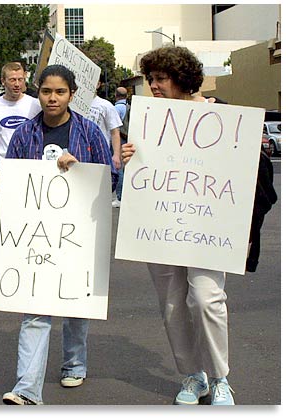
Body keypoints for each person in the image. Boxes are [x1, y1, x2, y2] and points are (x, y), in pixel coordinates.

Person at [121, 45, 235, 405]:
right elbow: (142, 176)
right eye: (150, 79)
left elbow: (246, 176)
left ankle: (220, 378)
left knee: (206, 299)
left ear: (182, 79)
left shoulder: (220, 117)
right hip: (161, 226)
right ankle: (192, 376)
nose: (153, 86)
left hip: (207, 229)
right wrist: (129, 157)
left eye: (161, 78)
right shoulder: (146, 121)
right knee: (171, 305)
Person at [2, 64, 114, 405]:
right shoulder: (24, 134)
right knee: (35, 310)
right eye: (47, 91)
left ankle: (74, 364)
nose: (52, 98)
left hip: (79, 234)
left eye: (60, 92)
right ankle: (26, 389)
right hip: (37, 238)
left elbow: (109, 179)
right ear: (38, 91)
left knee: (74, 306)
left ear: (72, 95)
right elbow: (12, 184)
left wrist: (78, 168)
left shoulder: (91, 133)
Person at [0, 61, 42, 199]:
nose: (17, 84)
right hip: (3, 170)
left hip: (31, 169)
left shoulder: (36, 105)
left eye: (20, 79)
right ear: (3, 81)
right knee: (4, 218)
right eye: (12, 80)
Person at [87, 74, 122, 190]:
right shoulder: (72, 104)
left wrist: (116, 155)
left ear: (98, 84)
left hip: (100, 155)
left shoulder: (106, 105)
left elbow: (115, 132)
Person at [112, 86, 130, 208]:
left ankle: (119, 196)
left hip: (120, 140)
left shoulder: (115, 109)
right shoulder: (129, 107)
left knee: (118, 168)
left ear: (115, 95)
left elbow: (114, 129)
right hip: (128, 139)